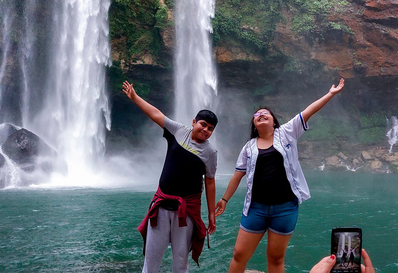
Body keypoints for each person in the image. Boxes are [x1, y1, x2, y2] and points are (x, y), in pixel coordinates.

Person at [215, 78, 345, 273]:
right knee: (239, 254)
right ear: (254, 124)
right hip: (255, 208)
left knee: (276, 258)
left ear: (274, 120)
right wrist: (224, 199)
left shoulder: (287, 133)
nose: (260, 115)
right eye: (256, 115)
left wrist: (330, 94)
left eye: (265, 113)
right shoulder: (248, 147)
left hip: (284, 208)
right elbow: (237, 175)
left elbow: (309, 111)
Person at [122, 80, 218, 273]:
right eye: (203, 124)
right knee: (151, 258)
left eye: (210, 129)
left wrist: (211, 214)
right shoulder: (178, 131)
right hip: (161, 207)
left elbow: (210, 182)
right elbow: (156, 115)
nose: (205, 130)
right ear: (194, 122)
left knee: (181, 262)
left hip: (187, 212)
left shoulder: (210, 153)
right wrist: (135, 97)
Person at [310, 249, 375, 273]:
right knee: (347, 262)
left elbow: (347, 252)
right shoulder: (347, 252)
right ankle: (345, 264)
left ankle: (344, 264)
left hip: (346, 257)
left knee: (347, 261)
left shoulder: (349, 252)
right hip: (346, 257)